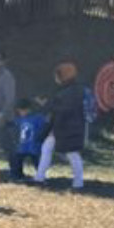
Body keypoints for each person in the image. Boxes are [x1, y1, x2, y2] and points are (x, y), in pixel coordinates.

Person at [33, 61, 86, 189]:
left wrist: (46, 105)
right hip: (63, 126)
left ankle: (78, 182)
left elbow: (62, 109)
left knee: (72, 153)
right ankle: (39, 177)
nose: (56, 78)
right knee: (48, 148)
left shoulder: (69, 91)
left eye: (58, 75)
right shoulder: (73, 89)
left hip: (65, 127)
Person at [9, 98, 47, 183]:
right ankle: (16, 175)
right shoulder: (20, 119)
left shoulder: (38, 118)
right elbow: (14, 124)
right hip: (23, 145)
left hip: (34, 145)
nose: (21, 113)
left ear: (28, 109)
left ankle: (41, 176)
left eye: (22, 111)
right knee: (17, 160)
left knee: (37, 161)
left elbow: (44, 126)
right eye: (19, 111)